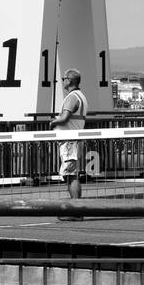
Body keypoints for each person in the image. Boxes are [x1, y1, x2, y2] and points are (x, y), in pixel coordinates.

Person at [51, 68, 88, 220]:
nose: (62, 80)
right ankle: (76, 209)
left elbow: (65, 118)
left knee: (71, 176)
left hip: (68, 140)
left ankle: (76, 211)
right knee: (72, 175)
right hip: (75, 138)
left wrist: (53, 121)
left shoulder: (72, 97)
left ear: (70, 81)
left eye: (64, 78)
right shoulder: (81, 96)